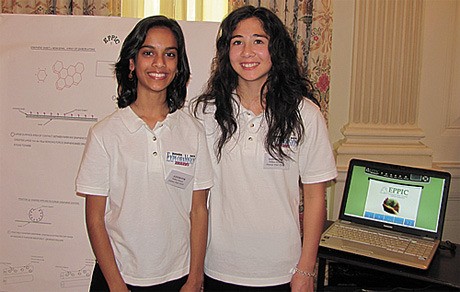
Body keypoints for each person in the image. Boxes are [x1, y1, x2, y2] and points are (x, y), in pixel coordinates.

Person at [193, 5, 337, 292]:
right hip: (219, 267)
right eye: (237, 42)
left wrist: (306, 270)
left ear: (276, 49)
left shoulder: (305, 114)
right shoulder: (206, 112)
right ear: (226, 51)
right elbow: (196, 200)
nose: (247, 52)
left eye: (258, 41)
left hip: (282, 270)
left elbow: (315, 198)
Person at [75, 15, 213, 292]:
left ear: (178, 65)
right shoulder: (105, 134)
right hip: (118, 277)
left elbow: (199, 210)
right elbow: (95, 218)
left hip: (178, 276)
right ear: (132, 63)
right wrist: (116, 285)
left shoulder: (193, 131)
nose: (159, 63)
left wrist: (195, 277)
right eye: (148, 52)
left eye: (169, 54)